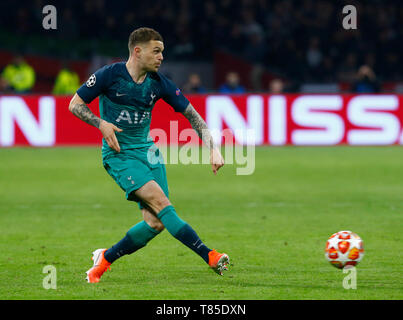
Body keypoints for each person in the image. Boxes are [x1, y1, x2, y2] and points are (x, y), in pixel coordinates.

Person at [68, 27, 229, 283]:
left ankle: (105, 258)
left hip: (149, 153)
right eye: (156, 51)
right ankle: (209, 255)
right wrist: (101, 123)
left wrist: (214, 149)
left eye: (162, 52)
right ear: (137, 51)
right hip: (120, 155)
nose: (161, 57)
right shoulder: (110, 75)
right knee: (163, 205)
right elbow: (74, 104)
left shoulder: (159, 83)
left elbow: (192, 115)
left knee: (156, 223)